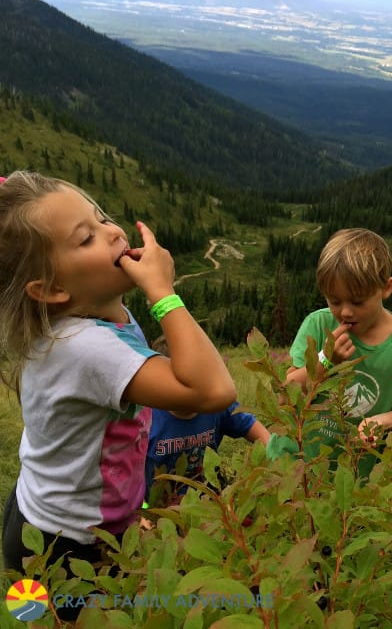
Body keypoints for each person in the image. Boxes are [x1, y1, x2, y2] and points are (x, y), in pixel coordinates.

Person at [0, 171, 236, 605]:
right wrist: (163, 293)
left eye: (102, 217)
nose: (112, 233)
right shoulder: (88, 349)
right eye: (86, 238)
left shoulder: (93, 317)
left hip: (37, 514)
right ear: (52, 289)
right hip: (65, 546)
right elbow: (214, 391)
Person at [267, 228, 392, 478]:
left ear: (386, 287)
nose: (345, 312)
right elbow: (286, 396)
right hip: (292, 467)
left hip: (351, 476)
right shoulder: (317, 325)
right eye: (335, 301)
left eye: (358, 302)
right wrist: (326, 359)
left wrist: (379, 422)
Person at [145, 336, 270, 505]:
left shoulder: (214, 406)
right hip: (158, 509)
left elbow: (256, 430)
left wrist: (276, 462)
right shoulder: (145, 418)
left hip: (208, 506)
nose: (200, 390)